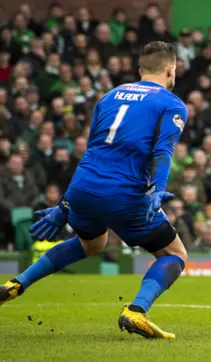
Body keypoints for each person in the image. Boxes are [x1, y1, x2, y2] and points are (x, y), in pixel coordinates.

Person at [0, 42, 187, 339]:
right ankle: (136, 311)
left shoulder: (109, 96)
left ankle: (16, 284)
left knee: (92, 243)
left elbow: (91, 151)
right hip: (124, 193)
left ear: (140, 71)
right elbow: (163, 151)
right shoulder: (172, 103)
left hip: (84, 188)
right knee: (174, 254)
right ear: (170, 69)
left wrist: (64, 205)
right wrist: (157, 190)